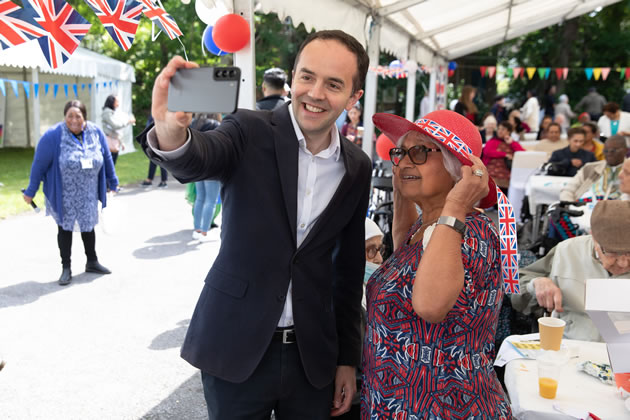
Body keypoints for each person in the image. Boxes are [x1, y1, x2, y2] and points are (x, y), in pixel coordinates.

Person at [139, 30, 371, 419]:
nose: (315, 93)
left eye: (333, 84)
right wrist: (170, 129)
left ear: (353, 97)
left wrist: (348, 358)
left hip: (312, 359)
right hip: (236, 346)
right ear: (293, 77)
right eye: (307, 77)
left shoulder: (357, 166)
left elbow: (347, 270)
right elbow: (199, 157)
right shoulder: (248, 129)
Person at [362, 110, 511, 419]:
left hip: (445, 407)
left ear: (456, 167)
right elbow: (405, 251)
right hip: (402, 401)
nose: (403, 162)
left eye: (419, 152)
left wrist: (458, 202)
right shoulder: (431, 225)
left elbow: (429, 305)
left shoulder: (466, 231)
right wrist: (403, 187)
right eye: (400, 153)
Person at [23, 100, 118, 285]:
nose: (74, 120)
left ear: (85, 117)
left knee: (88, 226)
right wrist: (31, 191)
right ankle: (66, 267)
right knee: (65, 229)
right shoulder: (53, 136)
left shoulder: (95, 132)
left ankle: (92, 261)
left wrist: (113, 181)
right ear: (64, 117)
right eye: (70, 116)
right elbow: (38, 165)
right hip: (64, 194)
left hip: (88, 193)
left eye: (78, 116)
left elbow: (106, 157)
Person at [511, 200, 630, 341]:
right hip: (570, 348)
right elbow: (516, 287)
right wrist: (536, 283)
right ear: (593, 236)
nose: (623, 263)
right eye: (611, 253)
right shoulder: (567, 251)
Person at [559, 135, 628, 202]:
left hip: (618, 210)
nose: (609, 154)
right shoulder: (590, 168)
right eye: (606, 151)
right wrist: (570, 205)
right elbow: (568, 190)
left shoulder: (628, 170)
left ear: (625, 150)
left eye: (613, 151)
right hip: (584, 208)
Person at [190, 114, 222, 241]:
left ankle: (197, 230)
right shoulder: (217, 125)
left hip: (197, 164)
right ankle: (205, 232)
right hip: (212, 164)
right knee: (211, 200)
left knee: (200, 198)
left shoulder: (194, 123)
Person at [482, 120, 525, 191]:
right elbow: (487, 152)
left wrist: (511, 143)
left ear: (508, 132)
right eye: (499, 129)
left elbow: (521, 153)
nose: (500, 131)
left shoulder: (512, 142)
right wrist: (504, 154)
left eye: (503, 129)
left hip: (507, 171)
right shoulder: (492, 141)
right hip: (491, 169)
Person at [101, 94, 135, 165]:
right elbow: (115, 126)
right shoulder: (107, 113)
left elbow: (117, 131)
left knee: (112, 165)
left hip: (114, 141)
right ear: (112, 102)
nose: (118, 104)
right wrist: (127, 121)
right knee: (109, 166)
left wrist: (121, 142)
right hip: (109, 142)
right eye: (117, 101)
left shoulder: (113, 112)